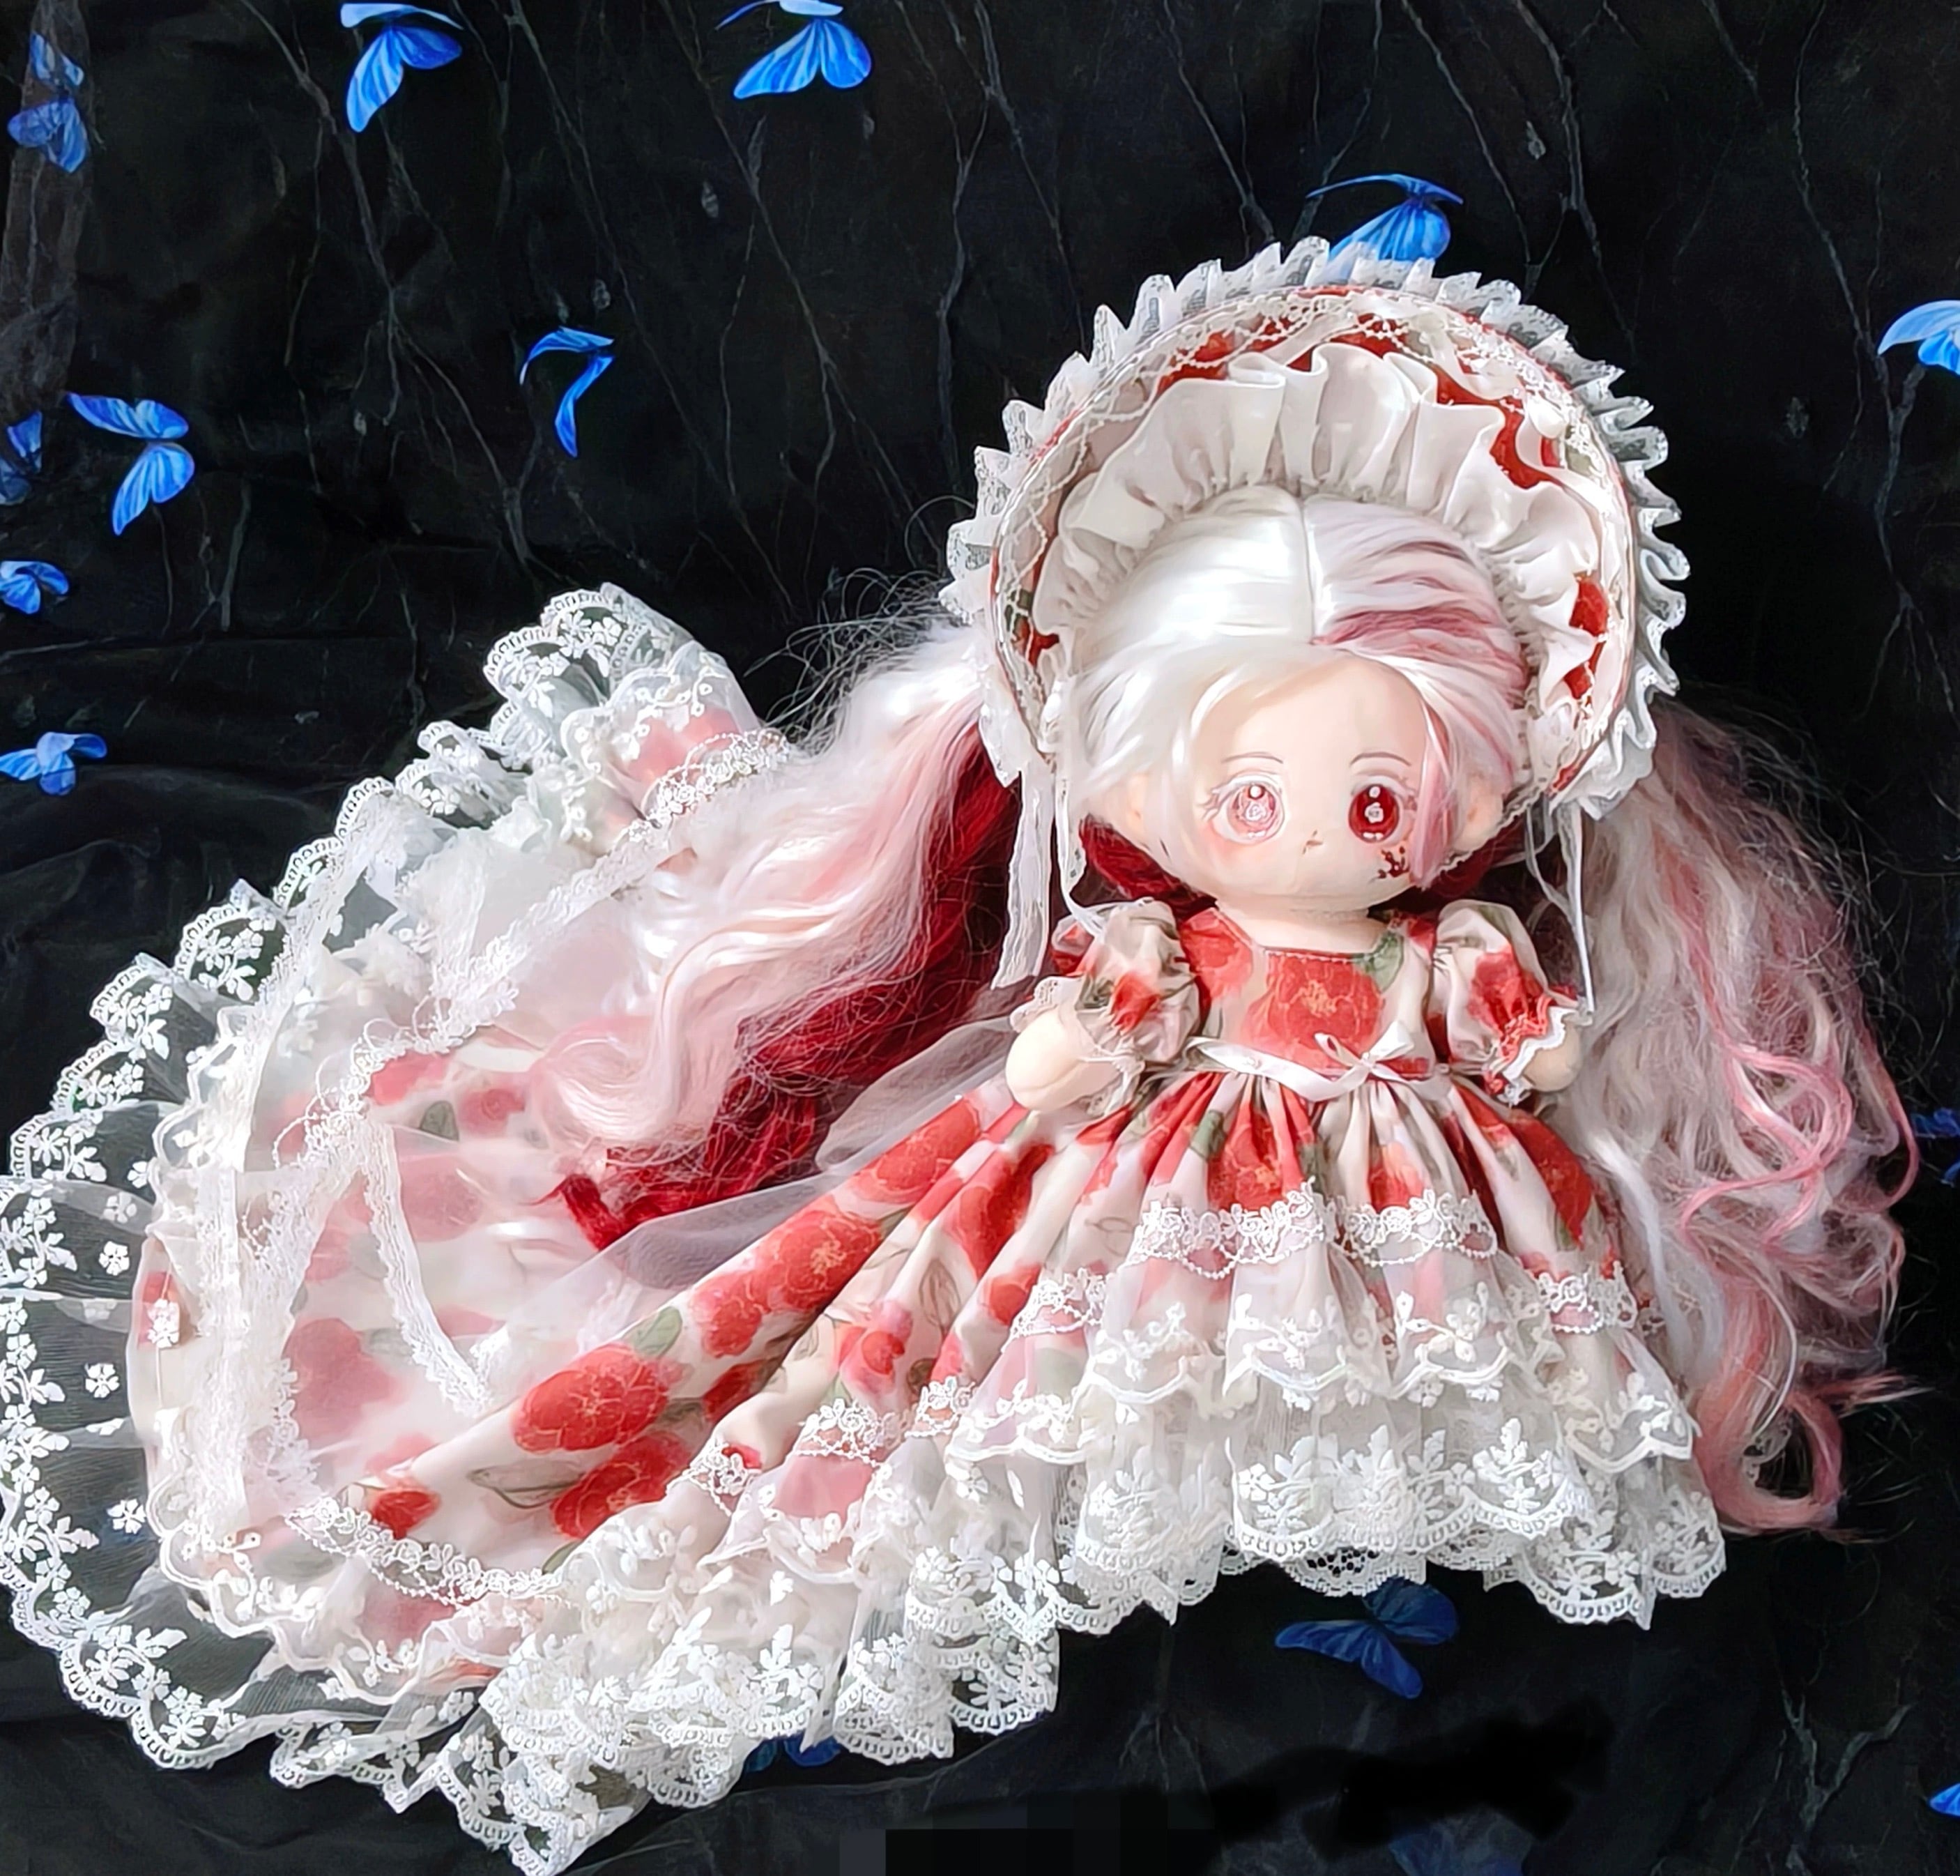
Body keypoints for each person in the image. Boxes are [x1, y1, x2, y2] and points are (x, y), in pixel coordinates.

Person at [0, 244, 1905, 1876]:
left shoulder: (1452, 950)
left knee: (1451, 1356)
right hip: (1168, 1180)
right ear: (1150, 789)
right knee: (1086, 1331)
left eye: (1381, 801)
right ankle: (1160, 1500)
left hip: (1424, 1206)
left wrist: (1533, 1047)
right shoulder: (1170, 951)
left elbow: (1520, 1046)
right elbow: (1089, 1052)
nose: (1329, 839)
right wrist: (1065, 1058)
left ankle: (1379, 1486)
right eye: (1254, 799)